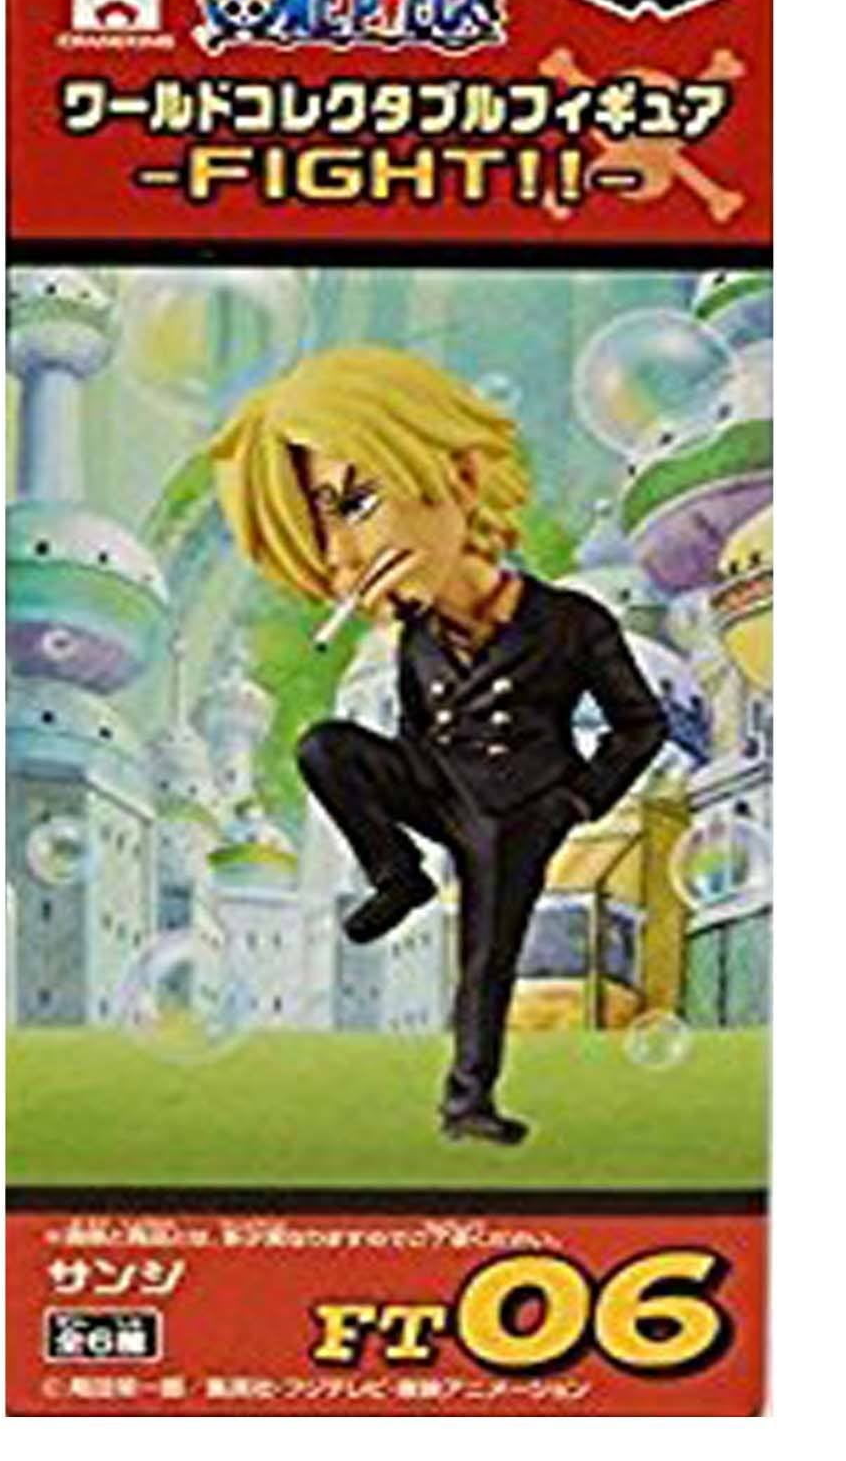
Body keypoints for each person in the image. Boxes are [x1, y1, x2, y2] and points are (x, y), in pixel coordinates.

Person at [210, 345, 667, 1144]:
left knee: (485, 960)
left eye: (355, 505)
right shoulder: (413, 637)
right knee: (325, 746)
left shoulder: (571, 622)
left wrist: (578, 801)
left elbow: (642, 724)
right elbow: (415, 729)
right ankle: (400, 878)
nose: (343, 559)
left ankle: (468, 1102)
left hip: (516, 811)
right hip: (441, 784)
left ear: (459, 477)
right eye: (320, 532)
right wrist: (400, 794)